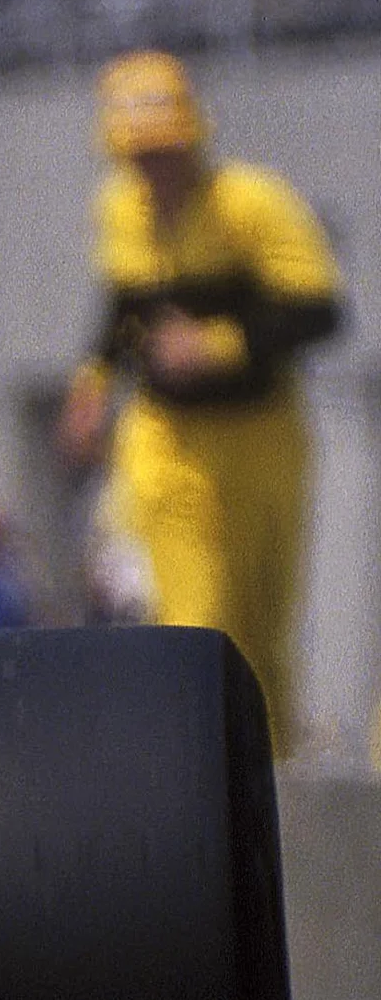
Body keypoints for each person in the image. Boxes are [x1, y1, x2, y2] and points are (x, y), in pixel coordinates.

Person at [54, 51, 345, 736]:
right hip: (168, 439)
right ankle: (200, 770)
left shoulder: (252, 203)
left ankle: (272, 775)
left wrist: (215, 345)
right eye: (136, 155)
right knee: (195, 625)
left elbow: (320, 313)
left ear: (193, 137)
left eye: (164, 151)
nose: (152, 169)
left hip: (260, 435)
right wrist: (91, 386)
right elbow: (122, 310)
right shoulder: (120, 208)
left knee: (261, 634)